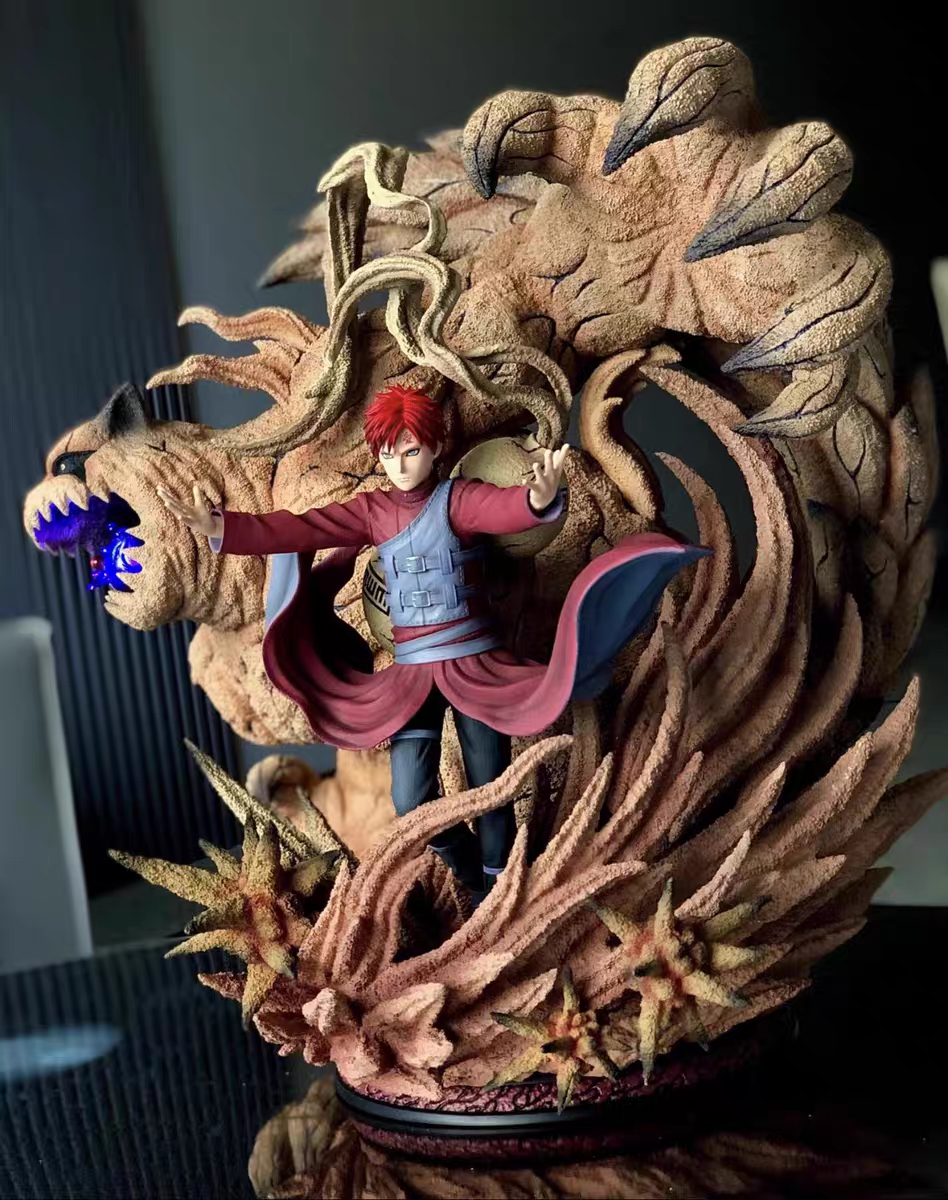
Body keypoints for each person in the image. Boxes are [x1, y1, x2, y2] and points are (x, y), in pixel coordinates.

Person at [158, 385, 706, 895]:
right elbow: (302, 527)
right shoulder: (373, 511)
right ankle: (469, 873)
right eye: (389, 453)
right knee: (410, 801)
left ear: (435, 447)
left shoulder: (457, 500)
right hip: (412, 675)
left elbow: (503, 509)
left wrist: (537, 499)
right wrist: (223, 529)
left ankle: (497, 882)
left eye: (411, 450)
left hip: (473, 664)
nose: (400, 464)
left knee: (490, 786)